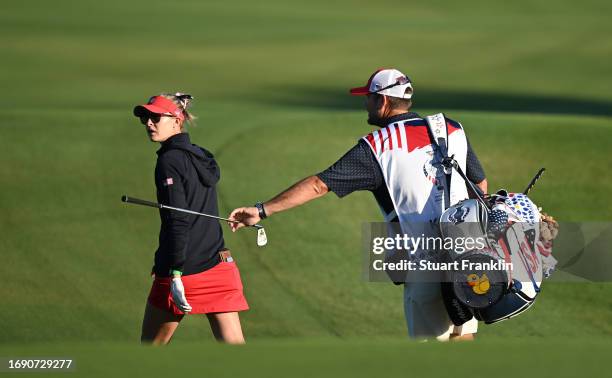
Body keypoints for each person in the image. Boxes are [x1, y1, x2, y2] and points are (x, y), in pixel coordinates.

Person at [228, 68, 488, 341]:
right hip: (467, 253)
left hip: (423, 261)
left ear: (383, 102)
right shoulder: (451, 128)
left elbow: (319, 185)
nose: (366, 103)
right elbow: (479, 186)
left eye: (369, 97)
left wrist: (261, 210)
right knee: (462, 334)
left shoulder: (377, 147)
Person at [133, 93, 249, 345]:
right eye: (145, 118)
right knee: (237, 352)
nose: (148, 123)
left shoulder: (168, 161)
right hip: (219, 264)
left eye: (155, 117)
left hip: (182, 271)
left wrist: (175, 273)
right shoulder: (201, 155)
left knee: (148, 350)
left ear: (177, 120)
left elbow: (178, 219)